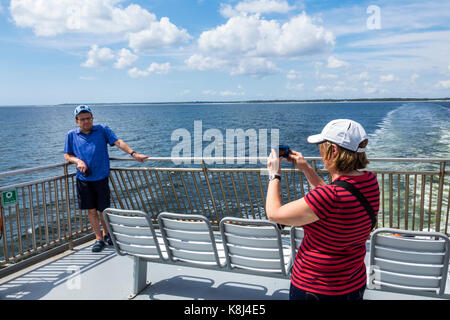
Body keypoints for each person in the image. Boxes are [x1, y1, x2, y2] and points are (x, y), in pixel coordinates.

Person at [266, 119, 380, 300]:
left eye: (322, 147)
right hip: (353, 283)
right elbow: (332, 197)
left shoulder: (329, 197)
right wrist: (306, 168)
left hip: (316, 288)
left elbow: (274, 213)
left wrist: (274, 174)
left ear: (333, 151)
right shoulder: (370, 181)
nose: (320, 152)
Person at [64, 105, 149, 252]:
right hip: (84, 179)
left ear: (92, 118)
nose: (86, 122)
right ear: (76, 121)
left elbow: (118, 142)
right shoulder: (71, 135)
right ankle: (98, 239)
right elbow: (67, 155)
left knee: (103, 210)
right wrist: (78, 161)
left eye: (88, 118)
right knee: (91, 211)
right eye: (82, 119)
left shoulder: (102, 130)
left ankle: (107, 234)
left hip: (101, 177)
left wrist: (134, 154)